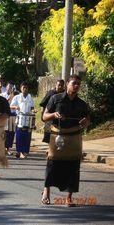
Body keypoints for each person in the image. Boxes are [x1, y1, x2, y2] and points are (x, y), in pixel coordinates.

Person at [41, 75, 90, 206]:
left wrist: (85, 122)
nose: (76, 86)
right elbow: (44, 117)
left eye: (78, 84)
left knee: (73, 166)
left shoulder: (82, 104)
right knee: (52, 164)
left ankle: (69, 197)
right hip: (57, 136)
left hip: (74, 138)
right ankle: (46, 191)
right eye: (74, 83)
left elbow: (87, 120)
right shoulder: (55, 99)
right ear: (67, 83)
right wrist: (53, 114)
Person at [11, 82, 35, 158]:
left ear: (28, 89)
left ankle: (25, 151)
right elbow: (11, 106)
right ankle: (19, 151)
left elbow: (32, 107)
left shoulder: (30, 97)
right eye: (23, 87)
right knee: (19, 135)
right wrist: (15, 107)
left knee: (27, 136)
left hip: (28, 118)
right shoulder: (17, 97)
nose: (25, 89)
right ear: (20, 88)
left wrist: (34, 110)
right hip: (20, 118)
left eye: (26, 88)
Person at [1, 82, 17, 155]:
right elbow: (3, 105)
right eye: (9, 87)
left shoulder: (15, 96)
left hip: (12, 115)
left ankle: (8, 148)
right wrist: (9, 98)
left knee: (11, 132)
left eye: (11, 87)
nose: (10, 88)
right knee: (4, 132)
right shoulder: (2, 95)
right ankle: (2, 148)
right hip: (4, 115)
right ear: (6, 87)